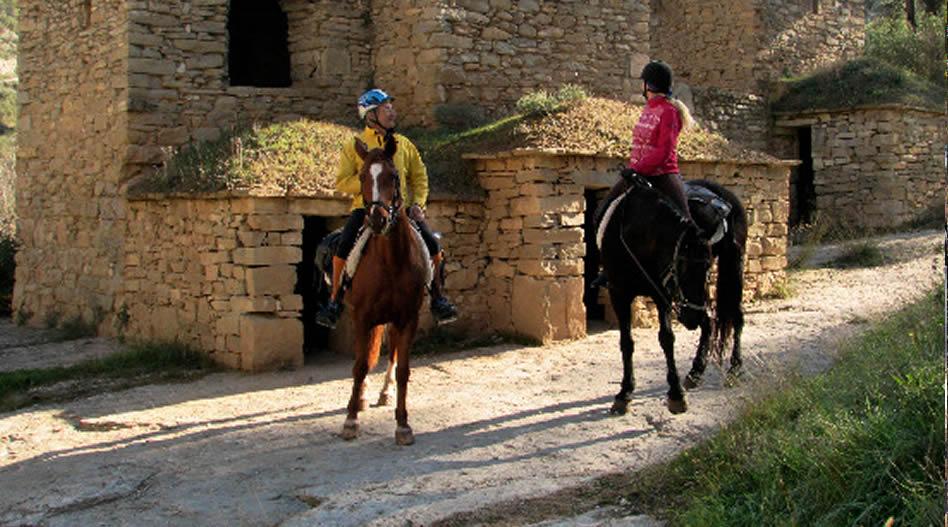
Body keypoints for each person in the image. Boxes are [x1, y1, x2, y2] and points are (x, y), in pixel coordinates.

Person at [315, 88, 459, 329]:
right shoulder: (354, 145)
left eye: (391, 107)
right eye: (385, 108)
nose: (392, 111)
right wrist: (366, 186)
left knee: (433, 245)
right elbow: (342, 181)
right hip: (365, 208)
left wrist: (418, 204)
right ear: (371, 115)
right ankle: (334, 301)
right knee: (344, 244)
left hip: (402, 210)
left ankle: (438, 298)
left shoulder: (404, 144)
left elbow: (419, 177)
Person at [597, 60, 697, 228]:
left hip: (663, 174)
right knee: (601, 213)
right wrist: (634, 170)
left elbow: (664, 151)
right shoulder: (648, 108)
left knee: (686, 224)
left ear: (649, 85)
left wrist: (638, 169)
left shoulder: (669, 111)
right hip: (636, 173)